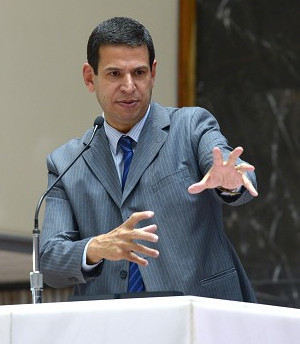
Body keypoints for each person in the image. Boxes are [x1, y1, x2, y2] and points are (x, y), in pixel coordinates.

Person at [39, 17, 259, 302]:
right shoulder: (66, 162)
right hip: (111, 321)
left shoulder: (190, 127)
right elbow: (50, 261)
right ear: (89, 77)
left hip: (198, 311)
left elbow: (231, 167)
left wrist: (231, 182)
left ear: (153, 72)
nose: (129, 86)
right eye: (115, 74)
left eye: (139, 72)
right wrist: (97, 247)